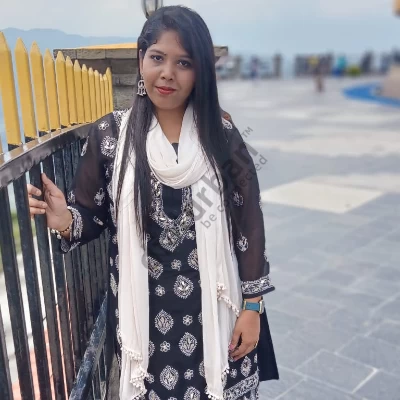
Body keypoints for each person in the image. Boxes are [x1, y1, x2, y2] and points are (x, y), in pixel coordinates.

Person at [27, 6, 278, 400]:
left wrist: (252, 307)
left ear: (200, 71)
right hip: (145, 318)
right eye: (157, 57)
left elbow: (248, 225)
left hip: (217, 312)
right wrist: (64, 219)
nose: (167, 73)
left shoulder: (221, 135)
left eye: (184, 63)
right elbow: (91, 216)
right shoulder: (111, 136)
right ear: (141, 57)